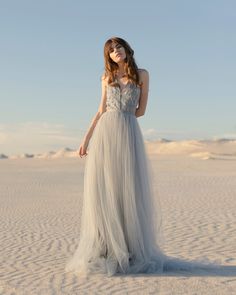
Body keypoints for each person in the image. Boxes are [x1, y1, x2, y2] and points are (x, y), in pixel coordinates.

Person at [65, 36, 222, 277]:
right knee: (106, 190)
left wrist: (122, 119)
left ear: (127, 49)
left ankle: (130, 248)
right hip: (106, 135)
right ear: (107, 56)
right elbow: (100, 110)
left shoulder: (143, 74)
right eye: (110, 50)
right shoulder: (106, 77)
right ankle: (107, 248)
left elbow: (141, 111)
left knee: (128, 189)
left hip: (128, 135)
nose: (115, 51)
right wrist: (86, 140)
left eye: (118, 47)